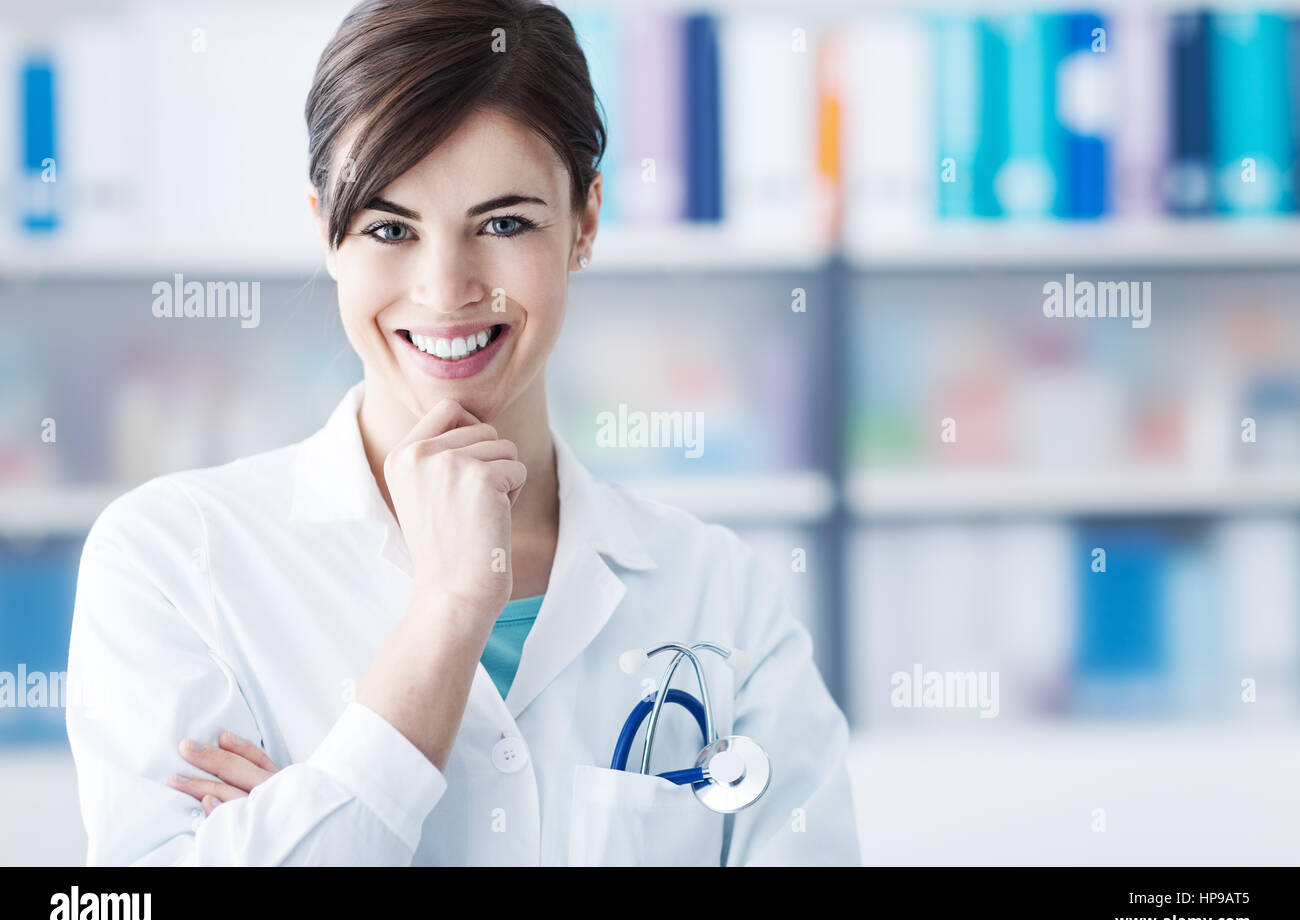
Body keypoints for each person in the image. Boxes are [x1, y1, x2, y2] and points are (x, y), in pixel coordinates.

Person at [65, 0, 861, 866]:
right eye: (388, 228)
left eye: (505, 223)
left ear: (586, 223)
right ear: (325, 230)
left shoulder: (721, 593)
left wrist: (302, 816)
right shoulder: (172, 562)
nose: (447, 290)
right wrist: (445, 616)